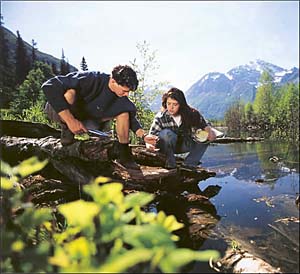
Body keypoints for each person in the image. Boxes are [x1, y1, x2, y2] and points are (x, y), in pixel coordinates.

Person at [42, 65, 157, 170]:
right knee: (70, 93)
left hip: (87, 119)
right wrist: (71, 121)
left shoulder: (120, 96)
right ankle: (67, 132)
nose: (126, 94)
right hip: (57, 111)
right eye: (124, 90)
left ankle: (124, 155)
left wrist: (144, 136)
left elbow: (131, 118)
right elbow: (49, 86)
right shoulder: (90, 78)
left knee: (124, 113)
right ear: (113, 81)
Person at [146, 87, 216, 171]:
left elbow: (205, 124)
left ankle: (189, 164)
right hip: (166, 147)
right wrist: (149, 145)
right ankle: (170, 164)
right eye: (169, 104)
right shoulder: (160, 117)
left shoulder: (191, 114)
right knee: (166, 133)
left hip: (184, 145)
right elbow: (151, 135)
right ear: (165, 103)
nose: (171, 107)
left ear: (181, 104)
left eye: (175, 104)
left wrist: (210, 132)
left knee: (205, 136)